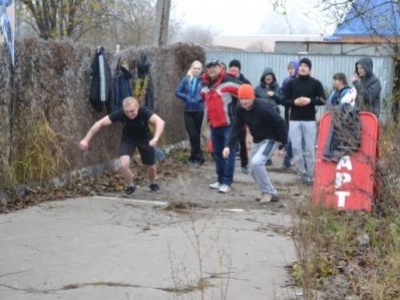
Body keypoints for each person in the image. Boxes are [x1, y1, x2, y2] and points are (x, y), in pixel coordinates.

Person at [79, 97, 165, 196]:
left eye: (132, 111)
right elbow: (99, 123)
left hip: (145, 140)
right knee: (124, 165)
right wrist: (86, 139)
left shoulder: (144, 112)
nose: (130, 114)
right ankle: (130, 186)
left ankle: (152, 183)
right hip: (128, 140)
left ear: (137, 107)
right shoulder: (121, 114)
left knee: (151, 167)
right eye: (127, 112)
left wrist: (156, 138)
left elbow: (160, 122)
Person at [222, 84, 287, 204]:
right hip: (257, 140)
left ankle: (267, 192)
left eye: (247, 98)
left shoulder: (264, 107)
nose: (244, 101)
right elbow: (236, 127)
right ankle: (273, 194)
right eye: (242, 99)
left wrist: (283, 145)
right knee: (252, 169)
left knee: (257, 162)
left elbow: (281, 124)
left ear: (252, 97)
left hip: (271, 138)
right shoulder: (240, 108)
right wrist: (228, 146)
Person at [201, 58, 241, 194]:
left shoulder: (229, 82)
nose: (212, 69)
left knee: (228, 154)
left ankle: (227, 182)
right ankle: (220, 179)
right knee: (217, 154)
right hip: (214, 125)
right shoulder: (205, 87)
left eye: (215, 66)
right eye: (209, 67)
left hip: (229, 125)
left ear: (220, 68)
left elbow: (246, 92)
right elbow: (205, 103)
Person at [284, 58, 326, 185]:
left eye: (306, 66)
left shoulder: (315, 83)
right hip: (294, 120)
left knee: (309, 149)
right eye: (301, 65)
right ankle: (301, 174)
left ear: (310, 68)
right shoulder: (291, 83)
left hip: (309, 120)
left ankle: (311, 176)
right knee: (296, 148)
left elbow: (323, 100)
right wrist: (294, 102)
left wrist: (310, 101)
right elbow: (284, 100)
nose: (303, 67)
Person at [175, 60, 205, 165]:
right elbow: (177, 92)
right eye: (195, 68)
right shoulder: (186, 79)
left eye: (198, 68)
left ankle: (195, 157)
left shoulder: (204, 80)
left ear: (201, 70)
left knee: (197, 134)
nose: (196, 70)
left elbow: (208, 92)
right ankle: (197, 156)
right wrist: (186, 97)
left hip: (199, 110)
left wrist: (200, 98)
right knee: (192, 134)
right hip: (188, 110)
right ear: (191, 68)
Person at [254, 67, 284, 166]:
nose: (268, 81)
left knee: (272, 138)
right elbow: (253, 100)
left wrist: (274, 94)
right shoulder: (258, 89)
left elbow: (281, 100)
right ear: (263, 78)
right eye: (266, 79)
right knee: (262, 137)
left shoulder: (277, 88)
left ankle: (268, 157)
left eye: (270, 79)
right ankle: (260, 156)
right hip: (261, 116)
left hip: (273, 115)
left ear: (273, 79)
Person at [227, 59, 251, 174]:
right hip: (229, 114)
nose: (233, 69)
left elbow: (251, 95)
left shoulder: (244, 81)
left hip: (241, 115)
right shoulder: (226, 80)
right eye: (231, 67)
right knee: (230, 140)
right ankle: (227, 163)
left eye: (236, 67)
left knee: (242, 140)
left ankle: (244, 163)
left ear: (239, 69)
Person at [281, 61, 299, 169]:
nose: (290, 70)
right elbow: (282, 94)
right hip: (289, 110)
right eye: (289, 68)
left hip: (298, 110)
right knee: (291, 135)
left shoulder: (299, 80)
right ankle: (287, 158)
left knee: (294, 136)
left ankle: (289, 157)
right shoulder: (287, 81)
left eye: (292, 68)